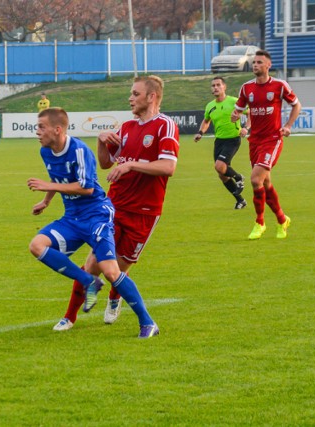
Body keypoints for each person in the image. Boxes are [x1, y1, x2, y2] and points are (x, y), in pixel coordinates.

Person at [53, 75, 179, 331]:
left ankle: (115, 296)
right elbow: (106, 163)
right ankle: (70, 317)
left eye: (135, 93)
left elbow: (168, 167)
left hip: (144, 211)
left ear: (151, 97)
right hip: (112, 206)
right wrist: (101, 142)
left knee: (118, 269)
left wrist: (132, 164)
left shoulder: (165, 126)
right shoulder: (127, 128)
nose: (130, 98)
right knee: (93, 265)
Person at [28, 107, 161, 339]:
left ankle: (147, 322)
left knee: (111, 272)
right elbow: (56, 177)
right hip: (72, 218)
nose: (37, 131)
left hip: (97, 215)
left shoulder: (79, 150)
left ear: (57, 129)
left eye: (41, 127)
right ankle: (88, 282)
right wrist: (46, 201)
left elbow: (87, 187)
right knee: (37, 245)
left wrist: (49, 188)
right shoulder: (45, 151)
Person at [231, 49, 301, 240]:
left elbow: (297, 105)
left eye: (260, 62)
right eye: (254, 62)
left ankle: (260, 222)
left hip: (273, 139)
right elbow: (238, 109)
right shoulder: (246, 88)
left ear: (268, 65)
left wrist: (287, 126)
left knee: (255, 180)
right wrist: (235, 116)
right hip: (255, 141)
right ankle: (281, 219)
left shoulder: (279, 85)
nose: (256, 65)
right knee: (265, 182)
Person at [194, 76, 248, 209]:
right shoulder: (210, 106)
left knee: (219, 166)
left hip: (233, 139)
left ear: (224, 87)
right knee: (222, 175)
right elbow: (206, 121)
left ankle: (239, 177)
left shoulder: (234, 102)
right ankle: (240, 201)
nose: (215, 87)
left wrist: (246, 128)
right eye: (213, 85)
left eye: (218, 85)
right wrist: (201, 133)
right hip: (219, 141)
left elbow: (250, 112)